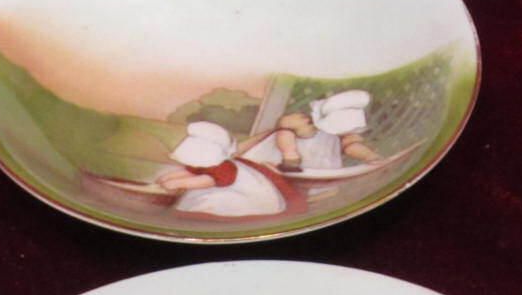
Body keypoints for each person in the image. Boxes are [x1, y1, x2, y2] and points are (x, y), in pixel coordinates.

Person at [156, 121, 302, 219]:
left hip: (242, 194)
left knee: (216, 202)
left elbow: (209, 181)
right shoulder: (204, 162)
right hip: (217, 186)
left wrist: (179, 183)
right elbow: (193, 172)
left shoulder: (223, 167)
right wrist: (169, 178)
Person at [244, 89, 380, 172]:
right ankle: (290, 159)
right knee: (285, 134)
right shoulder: (302, 121)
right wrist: (290, 153)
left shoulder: (339, 137)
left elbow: (351, 147)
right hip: (280, 159)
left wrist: (369, 156)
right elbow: (283, 127)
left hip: (315, 168)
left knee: (349, 146)